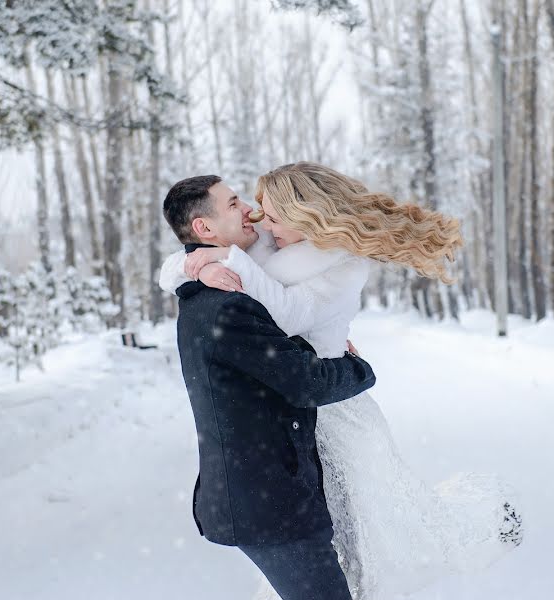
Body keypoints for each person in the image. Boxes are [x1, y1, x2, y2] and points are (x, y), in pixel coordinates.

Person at [160, 163, 523, 599]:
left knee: (380, 534)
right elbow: (189, 254)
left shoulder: (339, 264)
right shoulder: (267, 254)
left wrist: (224, 257)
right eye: (241, 205)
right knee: (348, 553)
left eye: (272, 215)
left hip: (333, 405)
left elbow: (288, 315)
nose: (259, 219)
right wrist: (197, 265)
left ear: (304, 216)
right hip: (304, 412)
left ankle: (483, 526)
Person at [162, 174, 378, 600]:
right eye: (233, 203)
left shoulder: (220, 283)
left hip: (275, 493)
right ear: (205, 229)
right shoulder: (228, 304)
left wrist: (204, 261)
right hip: (271, 505)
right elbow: (306, 382)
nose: (251, 212)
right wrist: (358, 369)